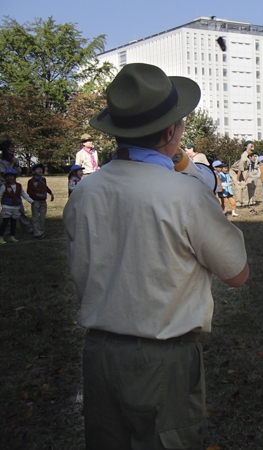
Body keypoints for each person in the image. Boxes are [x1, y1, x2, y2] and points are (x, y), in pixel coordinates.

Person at [62, 63, 248, 449]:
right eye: (179, 123)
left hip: (99, 353)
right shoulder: (184, 195)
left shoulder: (85, 193)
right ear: (170, 132)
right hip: (164, 361)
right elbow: (237, 273)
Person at [0, 139, 33, 233]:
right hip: (4, 186)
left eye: (13, 147)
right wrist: (12, 164)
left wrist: (16, 164)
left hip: (15, 186)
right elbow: (5, 174)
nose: (12, 149)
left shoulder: (16, 160)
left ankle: (26, 227)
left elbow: (18, 173)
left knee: (19, 207)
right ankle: (6, 229)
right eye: (10, 147)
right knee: (7, 209)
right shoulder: (1, 161)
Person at [0, 167, 33, 244]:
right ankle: (0, 236)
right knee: (5, 222)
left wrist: (31, 201)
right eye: (8, 176)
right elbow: (0, 195)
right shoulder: (4, 186)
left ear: (15, 177)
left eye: (11, 176)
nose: (10, 178)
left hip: (16, 207)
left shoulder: (19, 186)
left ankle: (12, 236)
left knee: (14, 222)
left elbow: (23, 194)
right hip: (6, 207)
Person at [27, 163, 54, 240]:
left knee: (42, 217)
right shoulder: (31, 181)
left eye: (41, 169)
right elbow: (29, 191)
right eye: (37, 169)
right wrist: (37, 194)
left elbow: (46, 187)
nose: (40, 170)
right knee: (35, 217)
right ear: (33, 172)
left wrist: (51, 193)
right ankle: (37, 233)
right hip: (35, 201)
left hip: (43, 201)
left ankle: (41, 231)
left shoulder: (43, 180)